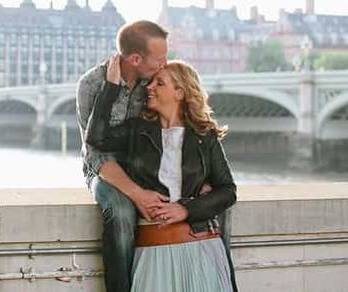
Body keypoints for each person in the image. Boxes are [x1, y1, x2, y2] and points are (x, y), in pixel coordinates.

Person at [85, 56, 238, 291]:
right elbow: (96, 138)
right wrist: (111, 87)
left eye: (160, 83)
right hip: (153, 252)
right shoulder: (137, 131)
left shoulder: (204, 136)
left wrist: (185, 208)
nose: (149, 87)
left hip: (201, 250)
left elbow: (228, 190)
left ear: (180, 92)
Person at [76, 20, 170, 292]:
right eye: (159, 59)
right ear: (135, 58)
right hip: (104, 169)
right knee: (120, 212)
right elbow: (94, 152)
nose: (164, 65)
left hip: (146, 165)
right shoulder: (91, 84)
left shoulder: (156, 80)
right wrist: (138, 194)